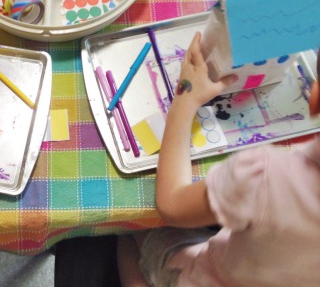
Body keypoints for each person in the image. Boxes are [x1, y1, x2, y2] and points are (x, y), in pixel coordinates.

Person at [117, 32, 320, 286]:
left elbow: (171, 204)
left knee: (128, 233)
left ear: (314, 98)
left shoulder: (266, 177)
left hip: (204, 276)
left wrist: (186, 97)